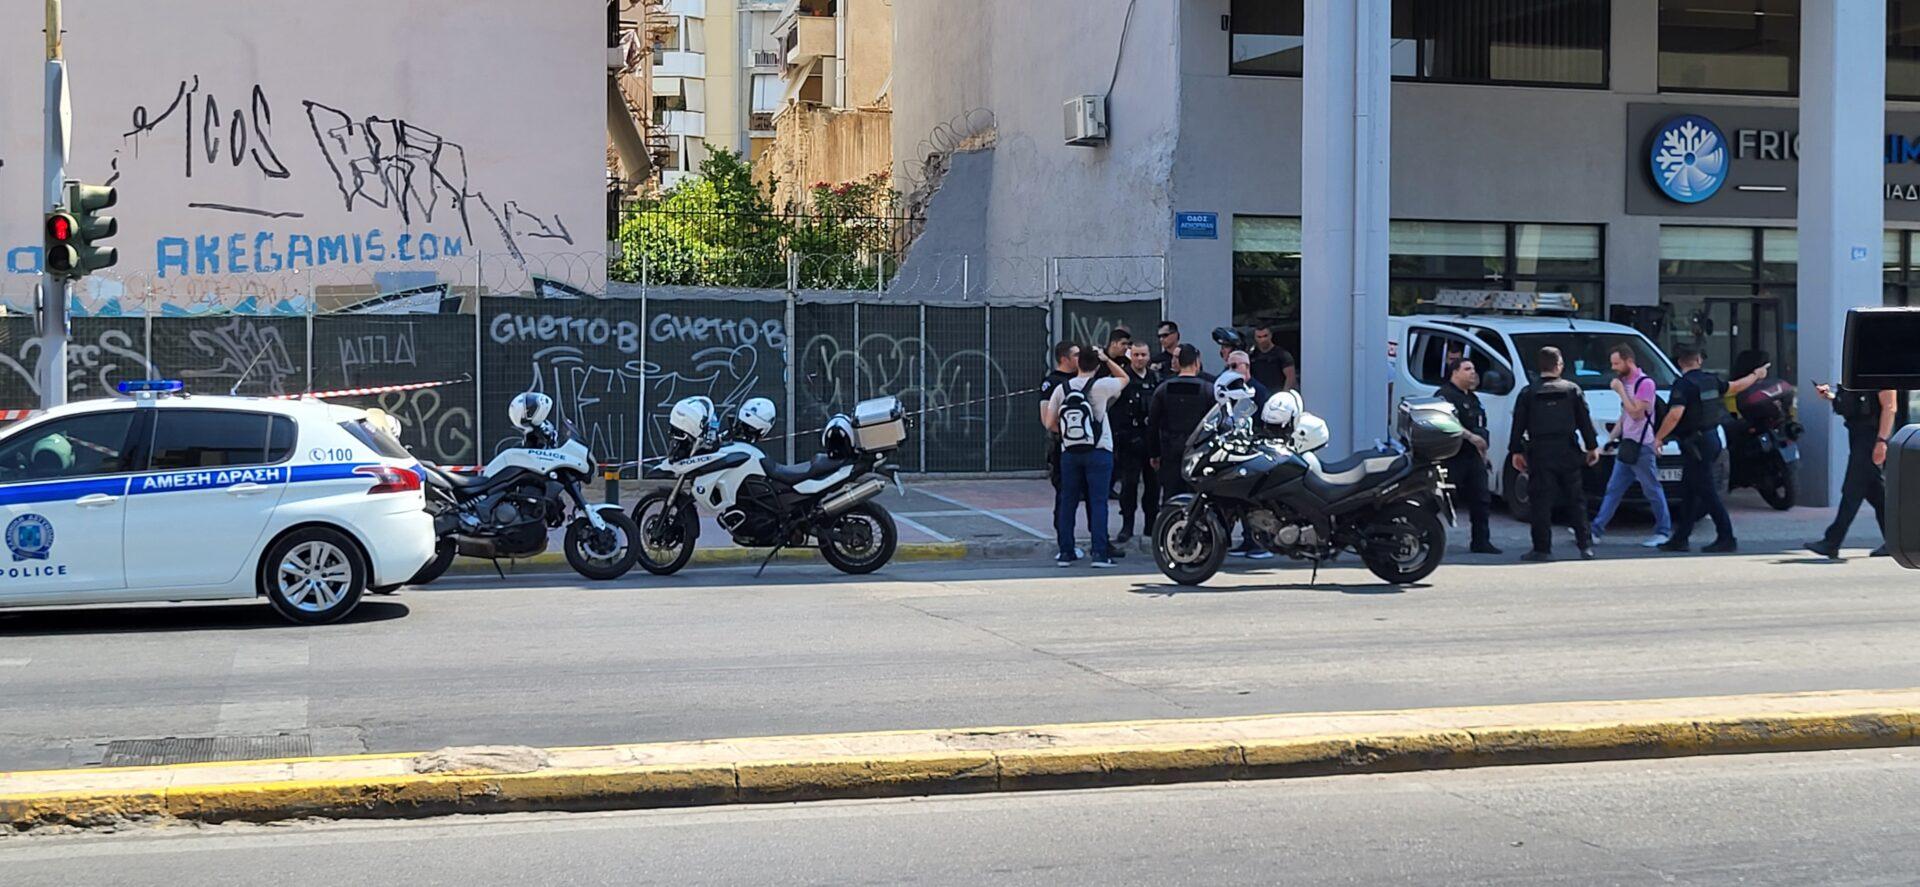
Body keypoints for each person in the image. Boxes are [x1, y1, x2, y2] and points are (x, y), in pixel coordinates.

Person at [1653, 347, 1768, 553]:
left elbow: (1675, 415)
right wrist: (1756, 375)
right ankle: (1680, 538)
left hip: (1695, 444)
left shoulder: (1683, 385)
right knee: (1689, 490)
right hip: (1711, 439)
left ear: (1680, 363)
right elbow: (1736, 386)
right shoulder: (1711, 380)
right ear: (1698, 360)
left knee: (1707, 491)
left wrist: (1658, 438)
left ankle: (1726, 537)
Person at [1511, 346, 1601, 562]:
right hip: (1567, 449)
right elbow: (1584, 421)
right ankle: (1585, 546)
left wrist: (1516, 451)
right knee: (1576, 500)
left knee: (1540, 501)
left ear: (1540, 366)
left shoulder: (1528, 393)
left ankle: (1542, 549)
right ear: (1559, 365)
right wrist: (1592, 447)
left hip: (1540, 451)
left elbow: (1518, 425)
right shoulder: (1572, 390)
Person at [1044, 346, 1129, 568]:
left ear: (1078, 363)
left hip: (1070, 452)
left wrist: (1067, 434)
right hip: (1099, 450)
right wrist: (1107, 359)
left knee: (1068, 502)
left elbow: (1049, 422)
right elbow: (1124, 378)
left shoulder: (1062, 388)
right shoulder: (1102, 386)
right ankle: (1100, 554)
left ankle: (1066, 552)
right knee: (1098, 502)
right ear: (1097, 365)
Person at [1589, 343, 1673, 548]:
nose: (1614, 368)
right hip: (1628, 445)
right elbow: (1624, 417)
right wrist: (1609, 440)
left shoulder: (1645, 384)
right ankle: (1595, 530)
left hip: (1642, 446)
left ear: (1629, 361)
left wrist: (1620, 392)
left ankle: (1663, 531)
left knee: (1651, 489)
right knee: (1614, 489)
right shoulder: (1626, 383)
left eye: (1617, 363)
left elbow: (1636, 412)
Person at [1805, 383, 1898, 560]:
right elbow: (1855, 403)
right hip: (1857, 436)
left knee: (1852, 489)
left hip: (1871, 438)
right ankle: (1897, 541)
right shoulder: (1859, 374)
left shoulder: (1881, 374)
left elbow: (1890, 407)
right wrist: (1831, 397)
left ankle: (1832, 541)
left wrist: (1881, 441)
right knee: (1875, 493)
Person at [1437, 357, 1501, 555]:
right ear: (1455, 372)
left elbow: (1480, 425)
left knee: (1481, 499)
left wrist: (1483, 453)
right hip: (1452, 456)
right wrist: (1471, 437)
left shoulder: (1473, 398)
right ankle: (1427, 537)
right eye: (1467, 369)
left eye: (1473, 369)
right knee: (1441, 500)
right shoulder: (1445, 396)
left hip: (1474, 458)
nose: (1473, 372)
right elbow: (1445, 423)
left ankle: (1481, 541)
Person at [1041, 341, 1093, 562]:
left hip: (1086, 447)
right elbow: (1046, 419)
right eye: (1076, 355)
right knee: (1065, 496)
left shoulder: (1082, 380)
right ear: (1064, 358)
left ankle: (1100, 541)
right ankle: (1065, 543)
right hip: (1063, 446)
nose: (1080, 359)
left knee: (1092, 495)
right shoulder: (1053, 382)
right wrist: (1070, 434)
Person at [1222, 350, 1275, 560]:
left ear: (1246, 366)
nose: (1231, 370)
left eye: (1235, 366)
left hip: (1256, 451)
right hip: (1239, 451)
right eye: (1229, 366)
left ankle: (1260, 542)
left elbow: (1263, 420)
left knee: (1255, 499)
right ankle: (1248, 539)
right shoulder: (1232, 390)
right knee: (1241, 499)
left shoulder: (1257, 390)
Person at [1110, 341, 1160, 544]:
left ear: (1149, 356)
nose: (1140, 359)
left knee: (1153, 486)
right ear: (1131, 356)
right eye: (1136, 354)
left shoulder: (1155, 378)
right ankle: (1127, 526)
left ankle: (1151, 525)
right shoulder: (1123, 378)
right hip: (1129, 441)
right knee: (1129, 485)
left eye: (1143, 355)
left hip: (1151, 440)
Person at [1148, 344, 1213, 499]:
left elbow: (1153, 424)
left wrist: (1154, 454)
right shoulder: (1208, 389)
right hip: (1198, 451)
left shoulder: (1163, 389)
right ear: (1196, 362)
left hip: (1170, 450)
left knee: (1171, 494)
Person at [1249, 321, 1297, 392]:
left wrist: (1284, 394)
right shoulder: (1252, 355)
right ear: (1255, 338)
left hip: (1276, 395)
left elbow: (1291, 378)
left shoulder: (1282, 354)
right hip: (1258, 395)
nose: (1263, 339)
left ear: (1271, 335)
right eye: (1259, 337)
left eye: (1265, 336)